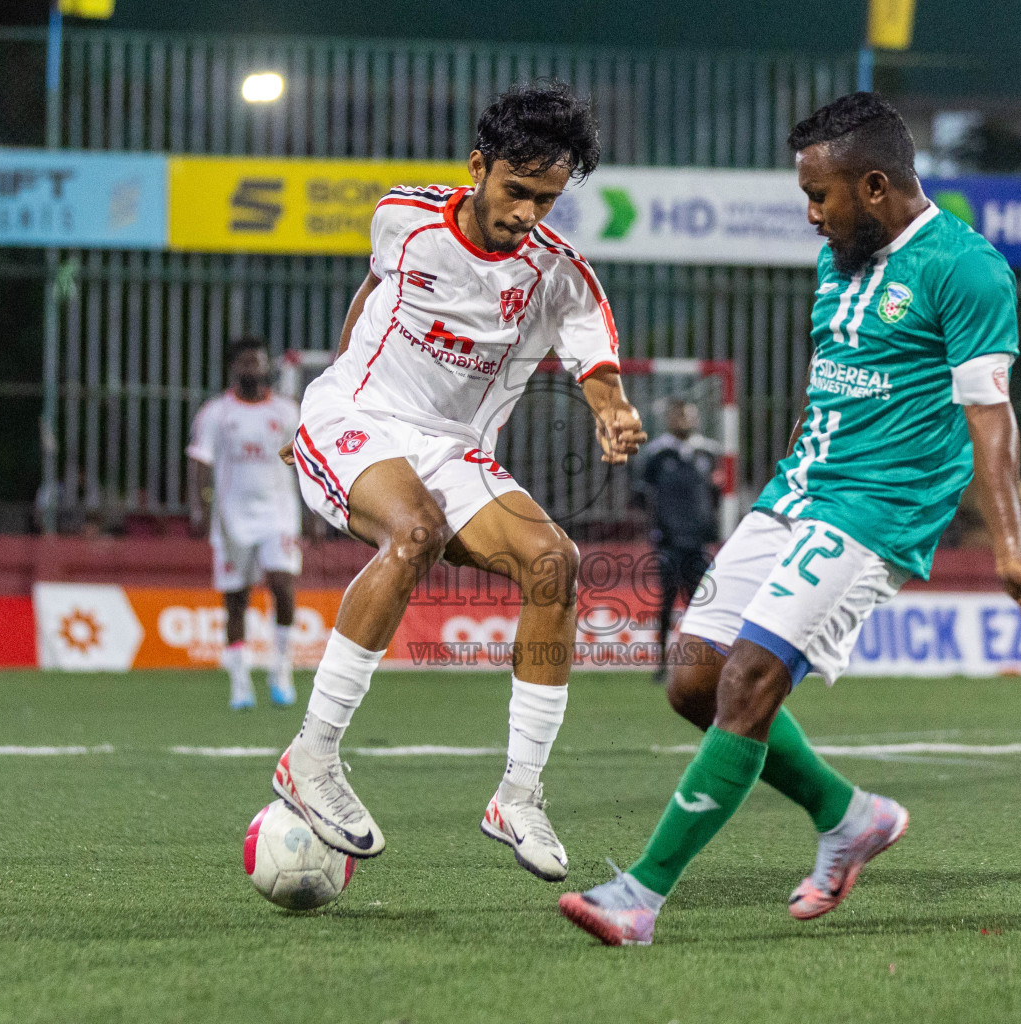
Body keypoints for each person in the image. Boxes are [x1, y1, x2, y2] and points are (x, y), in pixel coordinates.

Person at [557, 92, 1021, 946]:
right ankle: (849, 816)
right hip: (794, 497)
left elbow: (990, 413)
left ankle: (640, 896)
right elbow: (833, 381)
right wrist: (782, 490)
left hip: (876, 511)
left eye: (820, 196)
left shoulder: (966, 268)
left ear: (876, 186)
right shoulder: (841, 258)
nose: (810, 213)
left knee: (749, 683)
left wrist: (1012, 550)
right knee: (693, 680)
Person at [273, 81, 645, 882]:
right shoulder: (403, 217)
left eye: (546, 199)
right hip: (358, 413)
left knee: (556, 564)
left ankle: (518, 793)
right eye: (515, 190)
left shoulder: (559, 275)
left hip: (452, 447)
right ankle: (310, 756)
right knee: (415, 534)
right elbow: (376, 286)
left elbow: (598, 364)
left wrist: (611, 410)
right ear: (478, 167)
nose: (526, 213)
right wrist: (318, 420)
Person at [188, 336, 303, 710]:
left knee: (283, 588)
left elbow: (306, 462)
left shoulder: (287, 412)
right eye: (244, 363)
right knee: (236, 600)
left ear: (267, 366)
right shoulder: (216, 413)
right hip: (232, 518)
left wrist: (316, 511)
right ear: (233, 368)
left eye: (257, 362)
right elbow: (200, 463)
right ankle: (240, 682)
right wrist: (200, 508)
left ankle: (280, 668)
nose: (251, 369)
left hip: (279, 514)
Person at [634, 399, 721, 681]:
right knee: (667, 602)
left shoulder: (708, 452)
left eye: (689, 414)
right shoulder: (657, 454)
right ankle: (661, 664)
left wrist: (711, 528)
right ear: (670, 419)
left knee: (700, 605)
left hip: (698, 542)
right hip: (669, 540)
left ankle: (701, 663)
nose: (684, 419)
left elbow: (715, 496)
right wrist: (656, 529)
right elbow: (642, 497)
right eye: (679, 414)